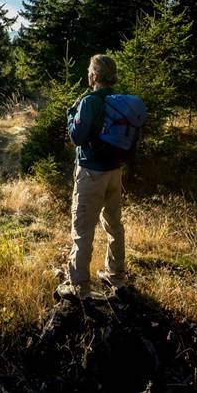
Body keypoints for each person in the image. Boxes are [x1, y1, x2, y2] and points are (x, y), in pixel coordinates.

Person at [56, 54, 128, 299]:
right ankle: (116, 275)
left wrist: (69, 115)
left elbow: (77, 136)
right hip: (115, 171)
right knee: (113, 224)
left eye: (89, 70)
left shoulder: (89, 101)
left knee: (83, 227)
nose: (88, 73)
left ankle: (79, 286)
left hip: (91, 173)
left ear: (95, 75)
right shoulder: (119, 100)